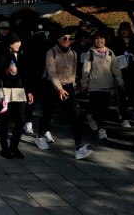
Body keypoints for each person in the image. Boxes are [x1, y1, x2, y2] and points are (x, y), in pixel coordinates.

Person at [35, 30, 93, 160]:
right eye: (65, 38)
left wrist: (73, 85)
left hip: (68, 87)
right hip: (52, 86)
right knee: (48, 113)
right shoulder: (52, 52)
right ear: (58, 39)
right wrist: (59, 88)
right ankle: (39, 136)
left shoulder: (73, 53)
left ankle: (78, 147)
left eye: (69, 39)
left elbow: (74, 70)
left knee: (75, 116)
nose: (67, 41)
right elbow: (51, 72)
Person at [0, 33, 34, 159]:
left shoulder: (22, 56)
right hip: (6, 91)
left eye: (19, 42)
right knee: (5, 121)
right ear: (9, 44)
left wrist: (29, 91)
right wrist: (6, 71)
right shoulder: (2, 56)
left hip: (20, 91)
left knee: (21, 120)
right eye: (15, 42)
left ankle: (14, 146)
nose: (18, 44)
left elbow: (26, 75)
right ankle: (4, 148)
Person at [80, 29, 125, 140]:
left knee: (104, 109)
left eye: (101, 38)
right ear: (93, 40)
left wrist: (120, 81)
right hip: (94, 85)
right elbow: (86, 70)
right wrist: (84, 84)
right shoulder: (90, 53)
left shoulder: (110, 52)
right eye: (97, 38)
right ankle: (101, 128)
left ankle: (92, 117)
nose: (99, 41)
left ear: (105, 40)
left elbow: (115, 68)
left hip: (107, 86)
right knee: (98, 107)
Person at [111, 22, 134, 122]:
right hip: (121, 73)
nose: (124, 31)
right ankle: (123, 115)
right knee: (122, 93)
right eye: (122, 29)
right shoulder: (116, 42)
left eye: (126, 29)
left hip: (133, 72)